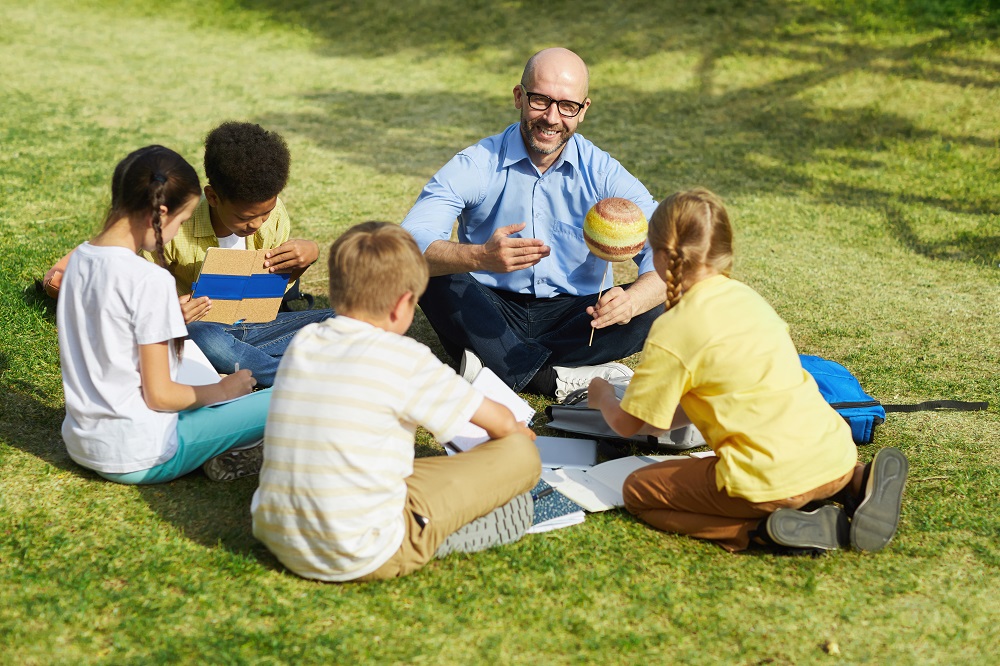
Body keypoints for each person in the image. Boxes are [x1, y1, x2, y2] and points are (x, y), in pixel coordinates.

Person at [587, 188, 909, 555]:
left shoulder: (673, 329)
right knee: (806, 461)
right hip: (837, 453)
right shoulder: (747, 298)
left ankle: (763, 531)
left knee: (638, 491)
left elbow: (639, 425)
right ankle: (858, 483)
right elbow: (700, 397)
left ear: (660, 256)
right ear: (723, 250)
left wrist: (604, 399)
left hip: (768, 482)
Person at [252, 222, 541, 582]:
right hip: (360, 551)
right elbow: (500, 423)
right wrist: (515, 435)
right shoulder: (404, 358)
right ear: (404, 303)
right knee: (521, 456)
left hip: (274, 531)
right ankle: (453, 531)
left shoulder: (307, 339)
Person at [401, 47, 665, 399]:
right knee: (433, 276)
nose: (552, 118)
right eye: (540, 100)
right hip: (488, 307)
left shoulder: (603, 172)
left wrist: (631, 301)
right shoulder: (477, 163)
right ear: (518, 97)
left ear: (583, 111)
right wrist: (479, 256)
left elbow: (669, 251)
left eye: (567, 106)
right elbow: (405, 244)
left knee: (661, 303)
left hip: (579, 315)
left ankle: (496, 364)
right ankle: (550, 377)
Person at [56, 146, 272, 484]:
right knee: (293, 395)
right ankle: (238, 445)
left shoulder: (79, 260)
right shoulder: (148, 278)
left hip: (84, 443)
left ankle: (230, 443)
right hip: (142, 452)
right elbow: (160, 395)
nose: (176, 232)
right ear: (160, 212)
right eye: (182, 221)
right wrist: (225, 390)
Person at [142, 121, 334, 387]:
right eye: (245, 217)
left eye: (265, 213)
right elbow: (137, 296)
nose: (257, 224)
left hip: (259, 328)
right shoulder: (174, 227)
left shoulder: (275, 217)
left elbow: (274, 290)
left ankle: (253, 370)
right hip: (200, 330)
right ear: (213, 197)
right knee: (205, 338)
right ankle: (298, 380)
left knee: (345, 320)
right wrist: (169, 313)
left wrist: (305, 260)